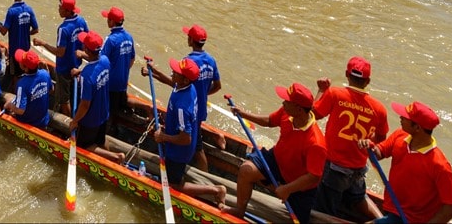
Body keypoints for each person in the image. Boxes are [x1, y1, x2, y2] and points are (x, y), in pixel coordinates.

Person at [223, 83, 327, 224]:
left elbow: (313, 177)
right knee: (246, 170)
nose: (283, 103)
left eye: (287, 101)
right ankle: (239, 211)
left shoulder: (316, 143)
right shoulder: (286, 112)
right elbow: (269, 121)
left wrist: (287, 189)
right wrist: (243, 114)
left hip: (299, 184)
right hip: (277, 161)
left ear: (298, 109)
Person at [360, 101, 452, 224]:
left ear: (417, 128)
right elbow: (379, 153)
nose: (400, 117)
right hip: (392, 207)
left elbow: (451, 208)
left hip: (412, 219)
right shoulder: (400, 135)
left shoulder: (439, 165)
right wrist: (370, 147)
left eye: (405, 117)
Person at [312, 57, 389, 221]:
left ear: (347, 74)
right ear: (368, 81)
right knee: (358, 197)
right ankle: (383, 220)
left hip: (334, 168)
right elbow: (381, 138)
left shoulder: (334, 93)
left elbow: (312, 116)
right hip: (358, 168)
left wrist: (321, 90)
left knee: (322, 212)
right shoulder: (379, 109)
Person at [151, 57, 227, 206]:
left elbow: (186, 139)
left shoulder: (182, 107)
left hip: (178, 151)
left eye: (176, 72)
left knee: (173, 185)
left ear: (185, 80)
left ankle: (216, 190)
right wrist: (153, 71)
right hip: (178, 143)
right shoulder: (188, 88)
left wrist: (163, 137)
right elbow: (171, 82)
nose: (172, 72)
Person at [68, 30, 125, 164]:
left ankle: (116, 157)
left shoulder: (86, 77)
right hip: (104, 112)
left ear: (86, 49)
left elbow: (85, 104)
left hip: (90, 119)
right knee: (100, 140)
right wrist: (81, 71)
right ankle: (113, 159)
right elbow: (95, 67)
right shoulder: (105, 60)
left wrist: (75, 121)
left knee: (84, 146)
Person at [33, 0, 87, 116]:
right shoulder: (81, 21)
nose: (58, 10)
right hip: (76, 66)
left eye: (60, 8)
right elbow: (85, 43)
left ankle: (67, 123)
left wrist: (43, 43)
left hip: (64, 69)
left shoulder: (63, 29)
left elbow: (60, 52)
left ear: (67, 11)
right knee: (73, 94)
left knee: (64, 100)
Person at [100, 6, 135, 135]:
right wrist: (122, 71)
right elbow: (132, 59)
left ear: (112, 21)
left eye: (108, 19)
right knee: (117, 106)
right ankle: (114, 127)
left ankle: (106, 134)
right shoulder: (129, 37)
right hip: (123, 81)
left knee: (106, 110)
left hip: (111, 83)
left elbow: (101, 61)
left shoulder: (110, 40)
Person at [0, 0, 39, 87]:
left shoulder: (11, 11)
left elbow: (3, 31)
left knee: (15, 76)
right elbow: (36, 29)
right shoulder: (29, 9)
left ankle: (17, 93)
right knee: (24, 73)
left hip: (15, 51)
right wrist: (25, 32)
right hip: (26, 50)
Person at [5, 48, 53, 130]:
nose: (19, 62)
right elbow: (51, 90)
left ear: (25, 68)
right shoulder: (45, 74)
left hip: (28, 122)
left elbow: (20, 110)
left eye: (21, 61)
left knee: (9, 104)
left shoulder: (22, 84)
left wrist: (9, 105)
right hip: (43, 120)